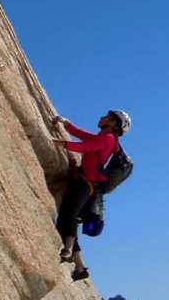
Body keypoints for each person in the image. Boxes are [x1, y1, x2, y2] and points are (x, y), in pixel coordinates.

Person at [51, 109, 130, 281]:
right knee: (69, 215)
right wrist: (66, 124)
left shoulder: (108, 139)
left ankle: (66, 250)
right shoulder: (104, 136)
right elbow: (83, 135)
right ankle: (78, 264)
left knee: (68, 214)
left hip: (86, 183)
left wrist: (60, 143)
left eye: (107, 116)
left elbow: (86, 146)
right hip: (86, 183)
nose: (102, 117)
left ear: (113, 123)